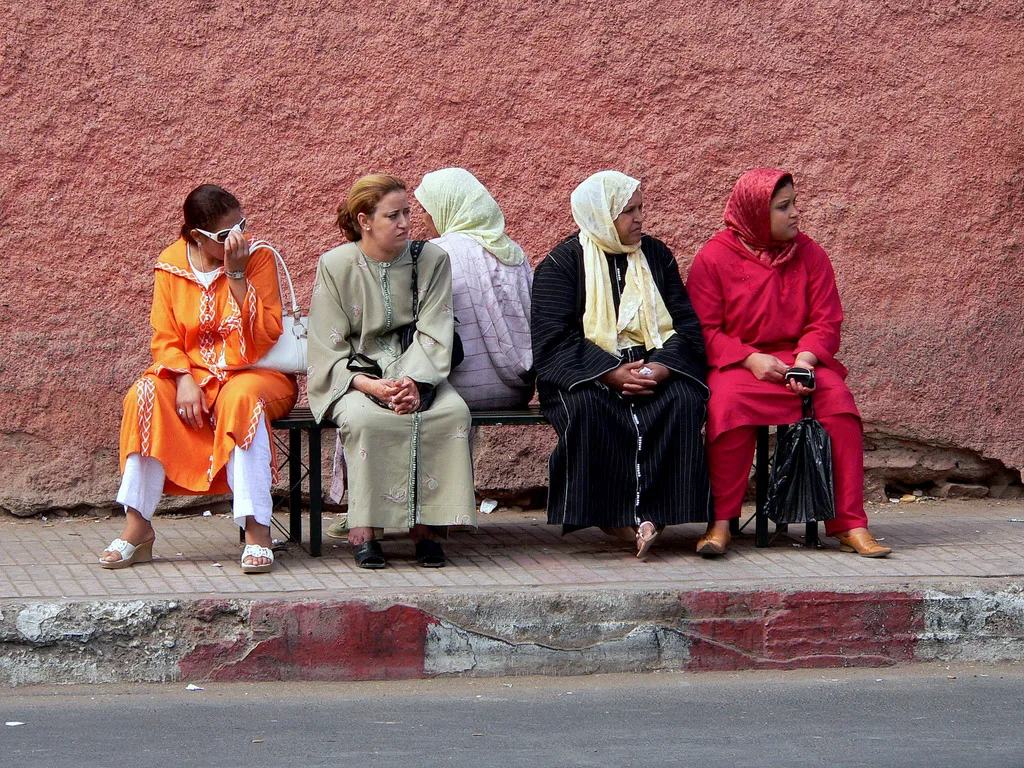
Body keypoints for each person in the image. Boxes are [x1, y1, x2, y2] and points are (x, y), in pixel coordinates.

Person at [686, 168, 891, 557]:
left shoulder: (811, 255)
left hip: (801, 363)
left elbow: (826, 320)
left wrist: (806, 360)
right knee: (726, 407)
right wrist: (749, 359)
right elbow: (704, 330)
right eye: (784, 207)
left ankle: (851, 524)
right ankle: (721, 523)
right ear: (754, 213)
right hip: (741, 366)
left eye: (794, 203)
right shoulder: (713, 258)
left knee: (840, 406)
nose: (796, 213)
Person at [100, 185, 299, 573]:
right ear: (196, 236)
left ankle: (258, 531)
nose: (239, 238)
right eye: (226, 235)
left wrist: (237, 275)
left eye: (241, 225)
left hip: (257, 374)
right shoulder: (170, 263)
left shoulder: (255, 257)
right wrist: (185, 378)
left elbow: (264, 336)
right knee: (144, 392)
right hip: (193, 375)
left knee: (241, 398)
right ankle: (137, 527)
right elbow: (165, 336)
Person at [531, 170, 712, 559]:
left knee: (681, 400)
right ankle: (613, 516)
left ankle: (658, 513)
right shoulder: (562, 264)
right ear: (600, 215)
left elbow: (686, 326)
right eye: (629, 211)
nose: (640, 219)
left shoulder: (657, 257)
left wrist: (662, 367)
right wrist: (608, 373)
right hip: (586, 369)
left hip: (653, 362)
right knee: (588, 408)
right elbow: (552, 340)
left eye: (640, 208)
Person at [307, 174, 475, 569]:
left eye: (407, 213)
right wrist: (369, 386)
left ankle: (427, 529)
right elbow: (326, 344)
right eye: (392, 215)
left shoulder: (433, 260)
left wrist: (413, 383)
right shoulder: (335, 266)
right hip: (356, 377)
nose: (405, 223)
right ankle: (364, 530)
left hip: (421, 374)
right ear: (365, 221)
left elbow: (436, 328)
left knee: (451, 413)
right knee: (365, 420)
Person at [413, 168, 534, 409]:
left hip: (455, 392)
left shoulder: (436, 253)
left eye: (427, 209)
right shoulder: (513, 253)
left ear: (448, 207)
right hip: (518, 391)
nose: (424, 218)